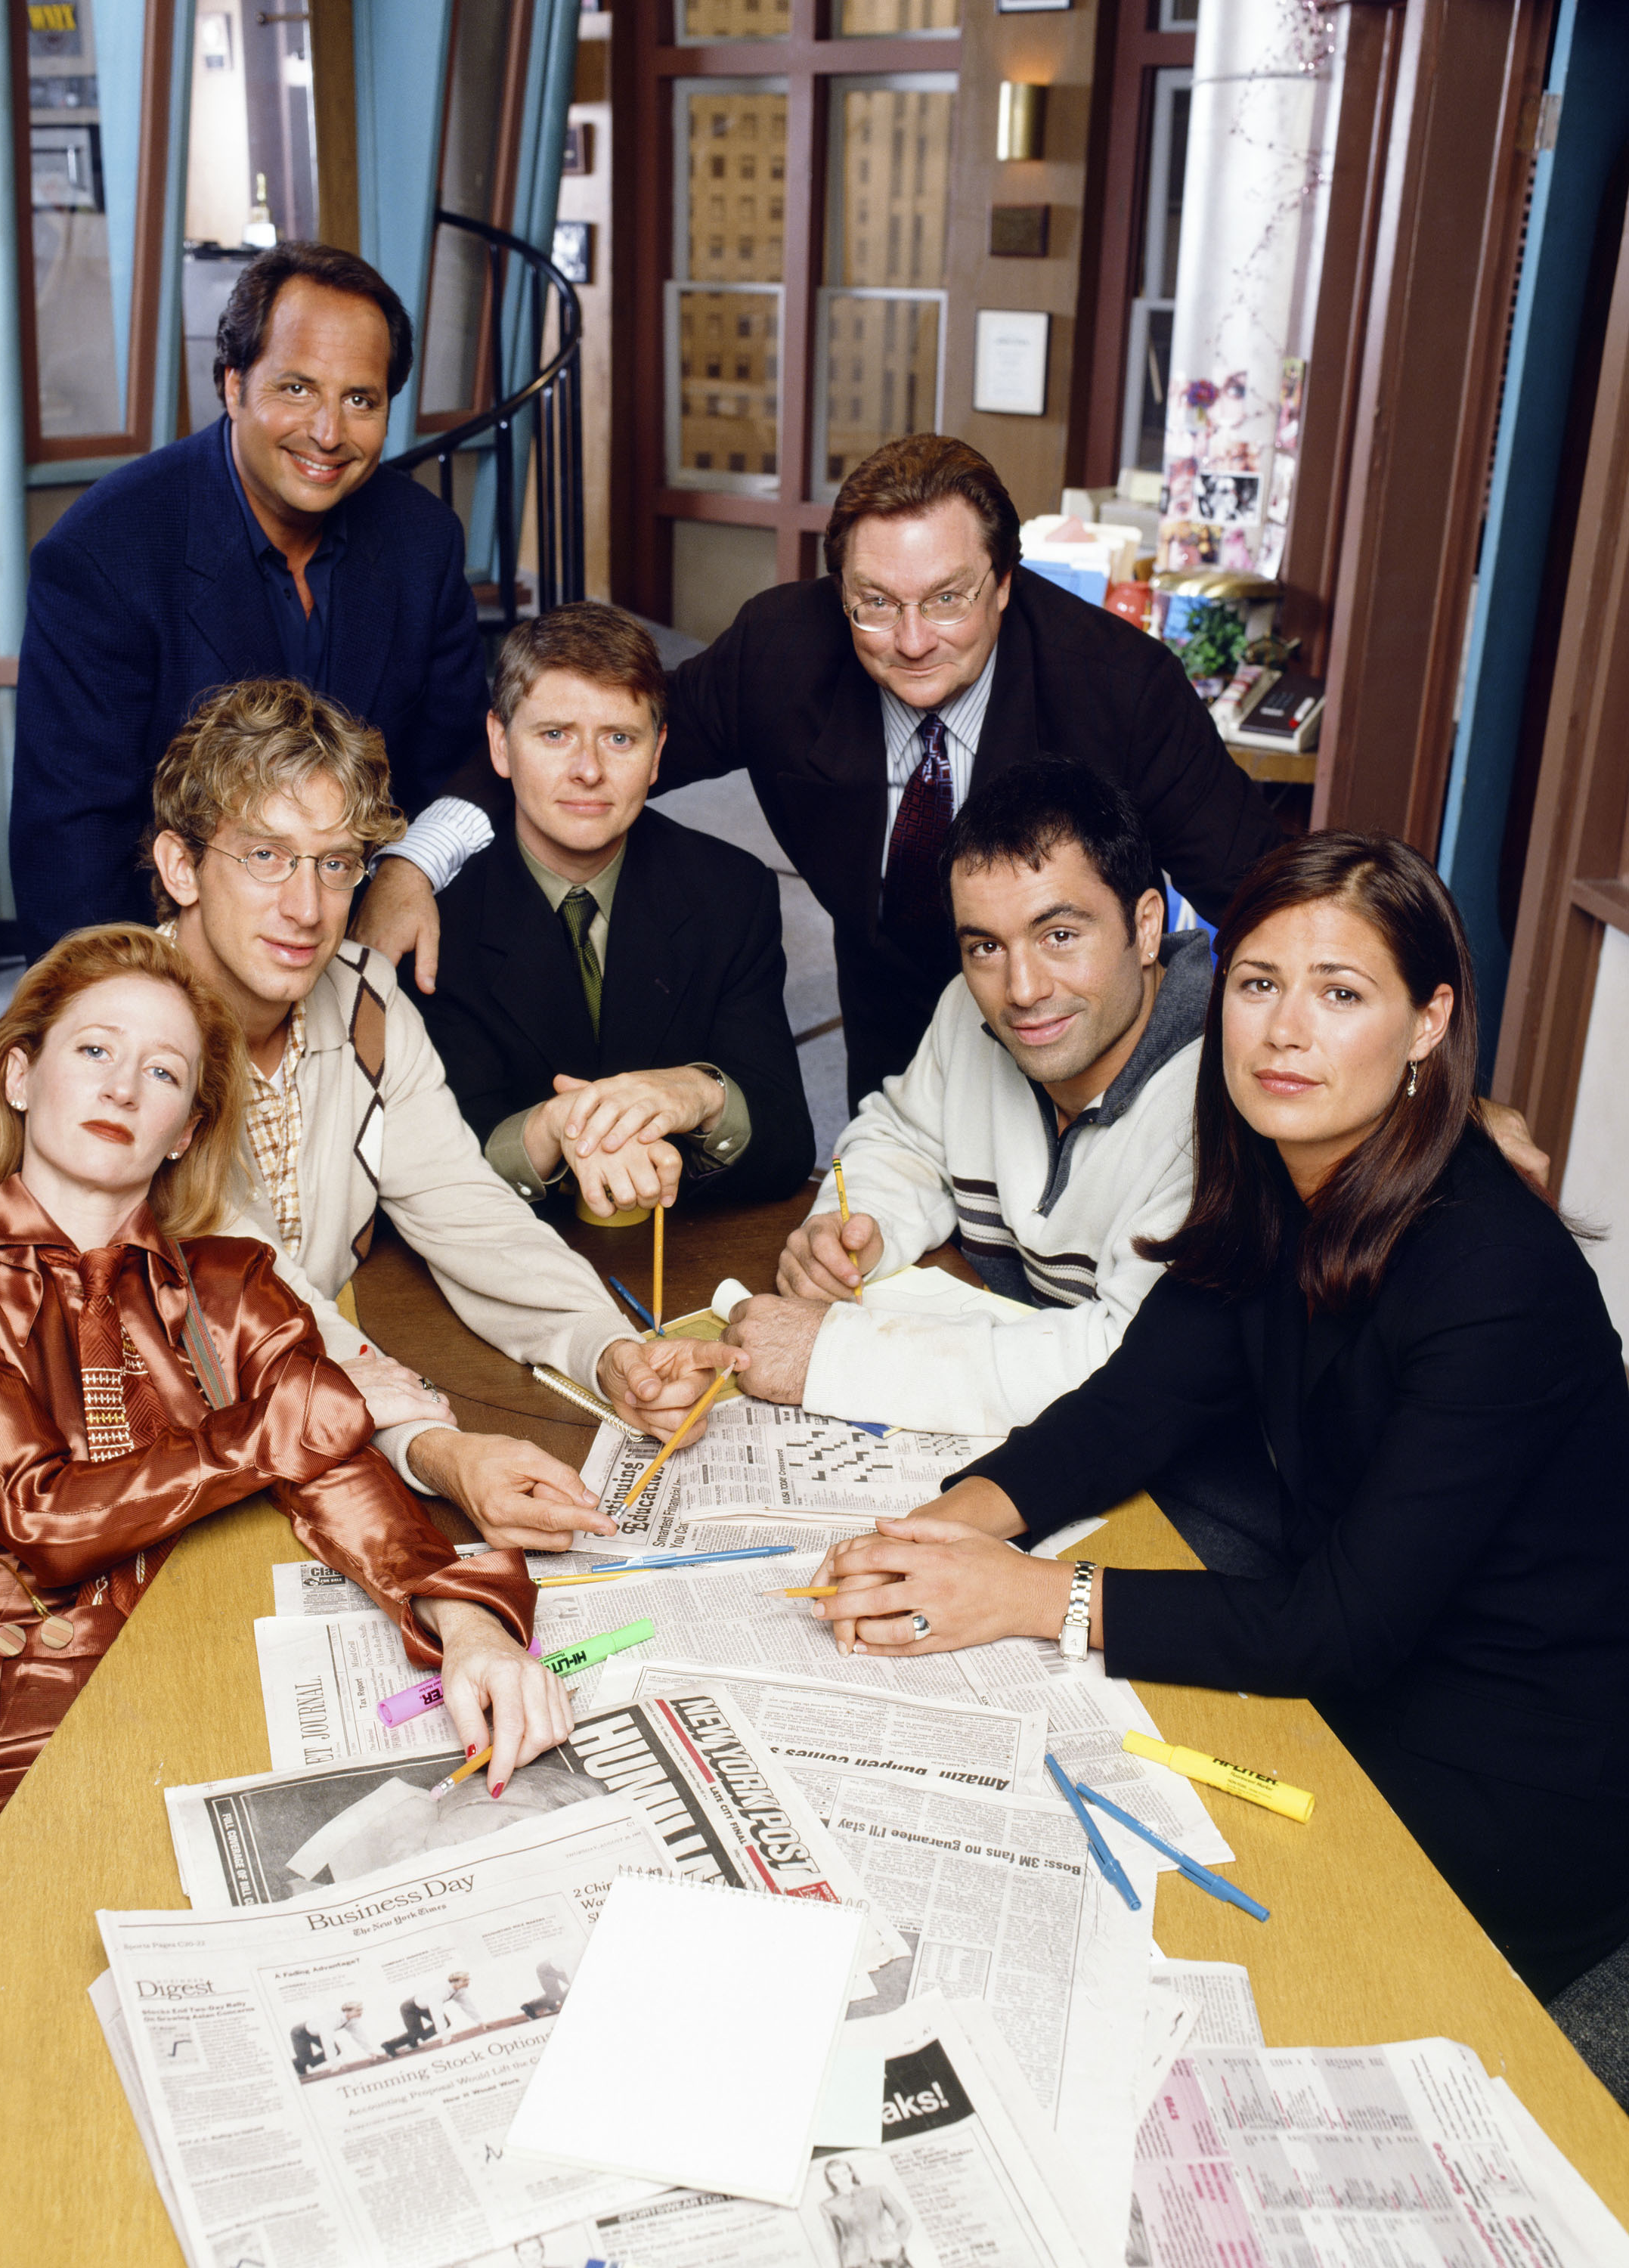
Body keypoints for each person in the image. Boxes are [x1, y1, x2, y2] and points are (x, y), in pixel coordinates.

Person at [810, 834, 1629, 2000]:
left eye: (1339, 994)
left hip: (1507, 1771)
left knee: (1127, 1961)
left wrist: (1035, 1595)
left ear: (1427, 1023)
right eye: (1256, 985)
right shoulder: (1274, 1175)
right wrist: (949, 1524)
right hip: (1344, 1685)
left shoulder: (1490, 1272)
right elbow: (1135, 1403)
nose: (1282, 1030)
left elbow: (1342, 1624)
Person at [0, 925, 565, 2122]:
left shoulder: (235, 1285)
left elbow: (350, 1490)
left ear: (187, 1128)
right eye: (92, 1048)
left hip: (212, 1682)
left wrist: (471, 1631)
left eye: (162, 1074)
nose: (119, 1085)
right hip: (8, 1714)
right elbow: (39, 1518)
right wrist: (276, 1423)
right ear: (18, 1075)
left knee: (325, 2052)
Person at [369, 433, 1284, 1111]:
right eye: (874, 605)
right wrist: (416, 859)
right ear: (836, 590)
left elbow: (1257, 888)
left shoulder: (1116, 686)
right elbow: (595, 747)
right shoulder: (783, 649)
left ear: (1005, 581)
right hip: (887, 995)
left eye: (948, 599)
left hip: (1086, 1027)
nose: (914, 641)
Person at [147, 679, 741, 1551]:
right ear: (179, 867)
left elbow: (464, 1210)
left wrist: (606, 1352)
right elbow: (241, 1288)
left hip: (313, 1408)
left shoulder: (366, 1002)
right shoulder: (123, 1036)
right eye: (266, 857)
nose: (307, 909)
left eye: (336, 863)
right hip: (158, 1444)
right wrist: (433, 1448)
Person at [11, 241, 489, 965]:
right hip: (177, 963)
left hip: (365, 941)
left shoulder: (424, 540)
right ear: (232, 385)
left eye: (360, 400)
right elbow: (70, 847)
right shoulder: (104, 552)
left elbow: (458, 764)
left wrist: (409, 867)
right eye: (296, 389)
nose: (328, 434)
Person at [723, 759, 1206, 1441]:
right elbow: (902, 1138)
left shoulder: (1227, 1097)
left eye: (1059, 935)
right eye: (984, 945)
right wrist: (860, 1224)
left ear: (1146, 926)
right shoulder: (968, 1011)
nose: (1022, 989)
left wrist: (836, 1359)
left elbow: (1133, 1365)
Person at [405, 604, 816, 1217]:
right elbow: (414, 1171)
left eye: (619, 738)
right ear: (499, 743)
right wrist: (546, 1133)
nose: (589, 771)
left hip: (682, 1249)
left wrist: (702, 1095)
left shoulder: (731, 892)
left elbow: (787, 1144)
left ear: (657, 755)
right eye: (554, 735)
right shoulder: (437, 917)